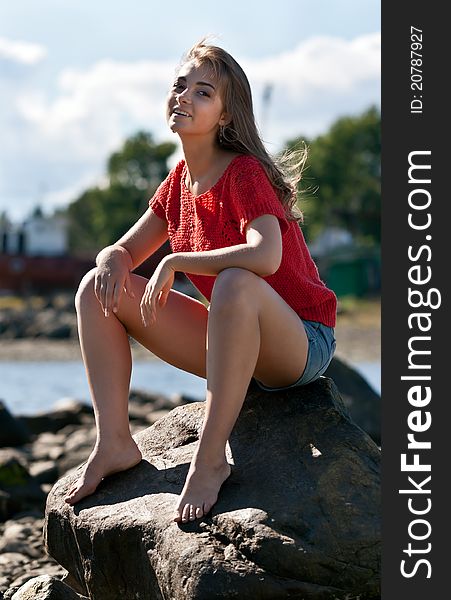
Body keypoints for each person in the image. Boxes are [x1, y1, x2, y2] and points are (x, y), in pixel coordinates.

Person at [64, 39, 337, 524]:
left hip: (301, 341)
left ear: (226, 116)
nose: (184, 96)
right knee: (95, 289)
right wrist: (110, 257)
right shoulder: (178, 183)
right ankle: (114, 441)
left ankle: (211, 459)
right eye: (180, 85)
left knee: (236, 280)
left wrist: (174, 262)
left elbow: (266, 255)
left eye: (203, 92)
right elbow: (125, 252)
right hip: (238, 342)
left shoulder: (244, 174)